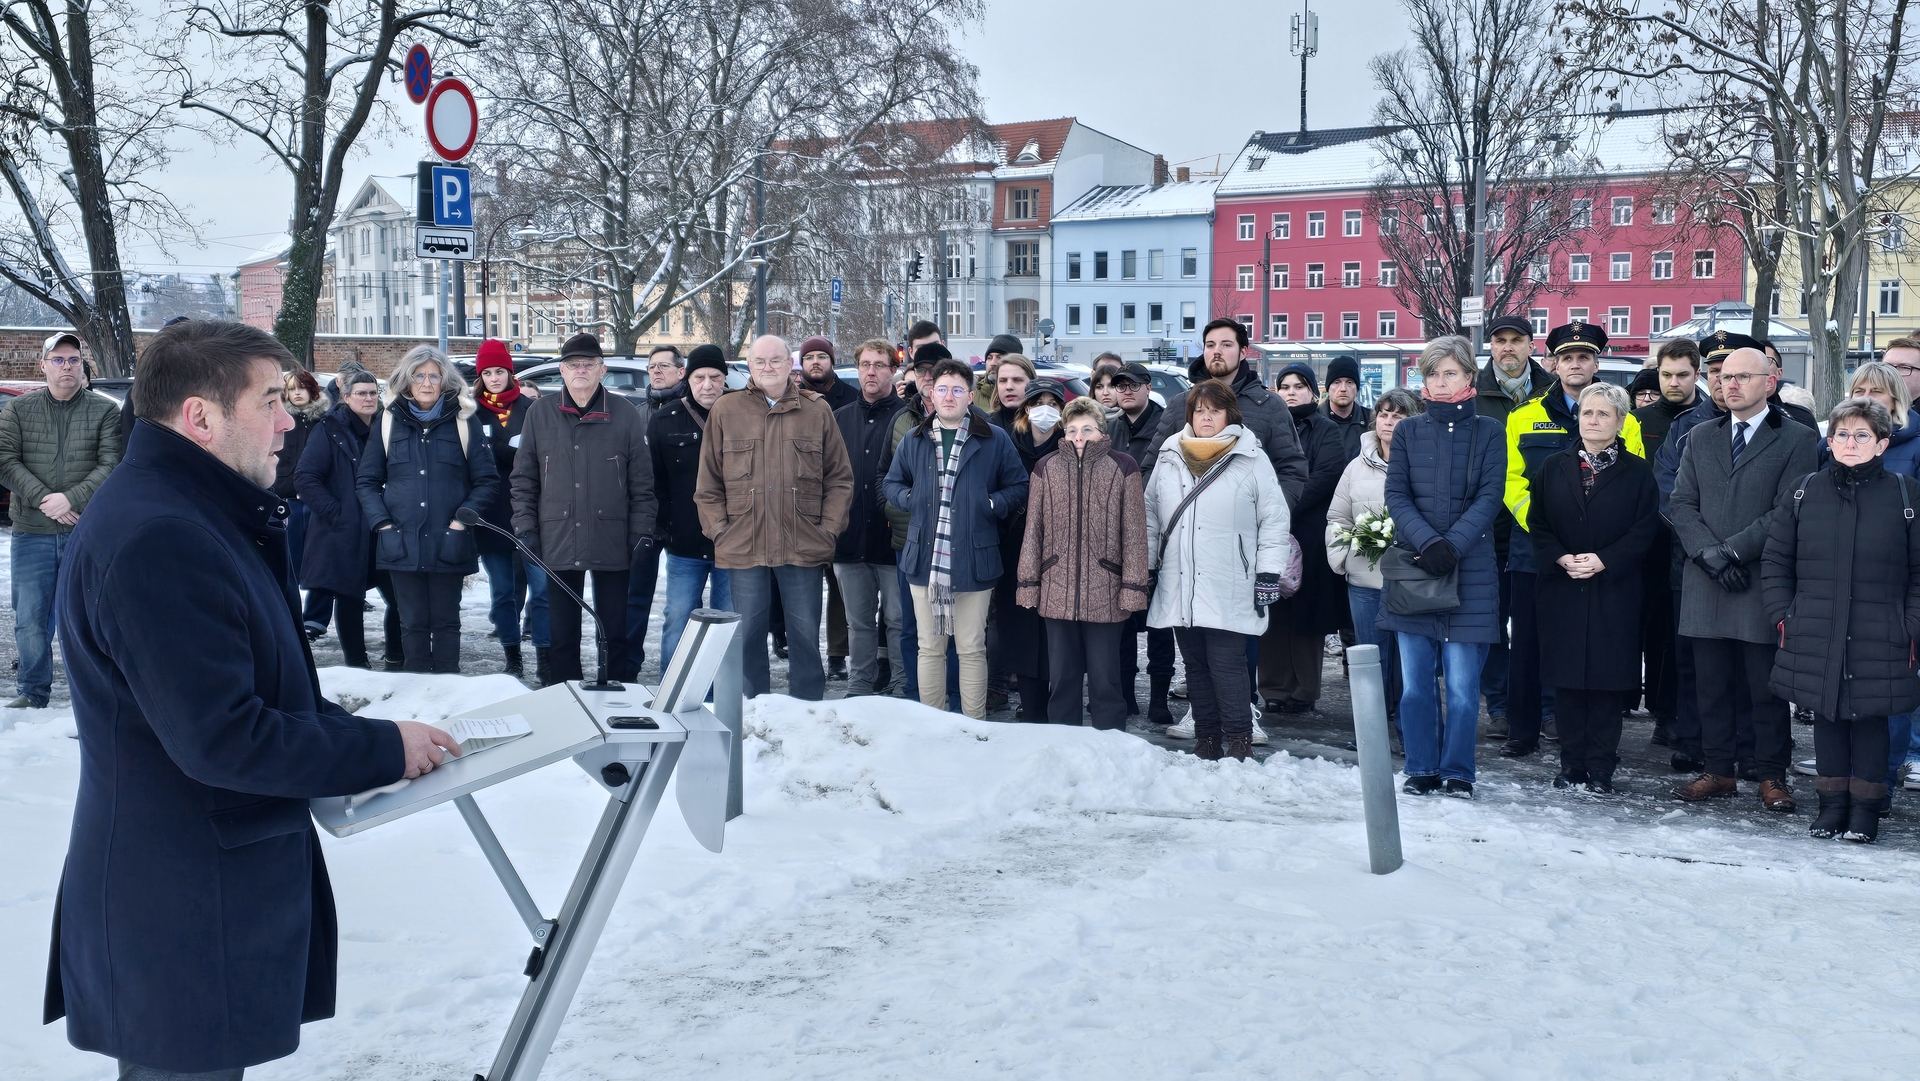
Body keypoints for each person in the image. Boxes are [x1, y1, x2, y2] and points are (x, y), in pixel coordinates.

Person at [47, 318, 457, 1080]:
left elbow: (252, 687)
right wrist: (378, 748)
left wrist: (367, 734)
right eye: (269, 400)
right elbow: (223, 737)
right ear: (199, 418)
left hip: (192, 892)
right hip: (179, 906)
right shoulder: (161, 535)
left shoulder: (195, 509)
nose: (287, 420)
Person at [1671, 346, 1821, 810]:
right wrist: (1708, 556)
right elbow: (1680, 504)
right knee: (1709, 684)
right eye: (1723, 376)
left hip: (1761, 579)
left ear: (1770, 382)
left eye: (1741, 376)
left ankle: (1772, 775)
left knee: (1765, 687)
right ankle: (1717, 770)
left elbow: (1788, 508)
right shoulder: (1700, 436)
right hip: (1706, 580)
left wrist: (1732, 551)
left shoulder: (1797, 438)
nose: (1728, 384)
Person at [1764, 397, 1920, 843]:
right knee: (1828, 715)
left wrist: (1910, 624)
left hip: (1883, 631)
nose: (1850, 443)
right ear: (1829, 441)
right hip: (1815, 625)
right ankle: (1831, 806)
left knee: (1871, 720)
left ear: (1882, 444)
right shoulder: (1804, 491)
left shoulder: (1906, 495)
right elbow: (1777, 560)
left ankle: (1866, 810)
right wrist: (1783, 616)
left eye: (1862, 435)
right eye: (1842, 434)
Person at [1501, 320, 1646, 758]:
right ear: (1552, 364)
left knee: (1592, 650)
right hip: (1538, 553)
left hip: (1600, 560)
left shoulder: (1626, 419)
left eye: (1584, 357)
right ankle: (1522, 731)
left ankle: (1581, 737)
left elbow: (1632, 483)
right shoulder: (1523, 416)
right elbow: (1512, 483)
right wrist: (1555, 535)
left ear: (1597, 363)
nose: (1575, 364)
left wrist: (1595, 547)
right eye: (1567, 357)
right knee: (1528, 646)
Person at [696, 333, 853, 699]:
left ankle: (807, 712)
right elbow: (708, 483)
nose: (768, 368)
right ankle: (751, 712)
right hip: (743, 545)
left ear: (790, 365)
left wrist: (827, 531)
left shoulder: (817, 411)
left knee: (803, 634)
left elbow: (840, 480)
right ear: (749, 367)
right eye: (760, 362)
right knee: (747, 634)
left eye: (776, 361)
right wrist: (721, 531)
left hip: (802, 544)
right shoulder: (725, 410)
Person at [1382, 336, 1507, 797]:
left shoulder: (1491, 431)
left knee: (1460, 688)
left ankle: (1458, 772)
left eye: (1450, 372)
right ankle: (1420, 767)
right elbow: (1396, 494)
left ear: (1469, 377)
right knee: (1415, 686)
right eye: (1433, 373)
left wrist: (1452, 544)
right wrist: (1428, 541)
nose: (1440, 381)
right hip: (1416, 566)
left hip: (1470, 571)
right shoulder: (1410, 431)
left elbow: (1490, 496)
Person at [1145, 380, 1290, 761]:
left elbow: (1274, 519)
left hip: (1231, 578)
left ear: (1229, 414)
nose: (1206, 417)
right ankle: (1206, 739)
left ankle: (1239, 739)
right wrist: (1145, 566)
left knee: (1227, 664)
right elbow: (1149, 515)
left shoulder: (1251, 457)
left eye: (1214, 410)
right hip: (1181, 577)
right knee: (1194, 663)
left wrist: (1268, 574)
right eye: (1199, 410)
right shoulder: (1169, 454)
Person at [1529, 382, 1661, 793]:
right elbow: (1539, 523)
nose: (1594, 420)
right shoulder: (1553, 466)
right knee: (1567, 681)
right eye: (1588, 412)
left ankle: (1601, 767)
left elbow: (1646, 529)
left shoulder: (1639, 473)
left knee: (1606, 683)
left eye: (1604, 414)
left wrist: (1607, 560)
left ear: (1621, 422)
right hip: (1563, 587)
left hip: (1614, 590)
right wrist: (1559, 556)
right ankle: (1571, 765)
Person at [882, 359, 1028, 718]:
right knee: (930, 647)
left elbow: (1020, 485)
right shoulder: (915, 438)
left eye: (957, 389)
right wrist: (908, 499)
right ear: (931, 394)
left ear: (970, 395)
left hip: (974, 559)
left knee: (971, 647)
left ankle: (973, 723)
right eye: (942, 389)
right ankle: (934, 725)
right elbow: (891, 482)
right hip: (924, 559)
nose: (948, 396)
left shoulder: (994, 438)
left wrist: (993, 503)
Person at [509, 333, 657, 684]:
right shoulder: (540, 413)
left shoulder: (624, 413)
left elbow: (642, 481)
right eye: (573, 364)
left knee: (613, 630)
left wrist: (641, 531)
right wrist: (525, 528)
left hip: (612, 535)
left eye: (588, 364)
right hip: (557, 535)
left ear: (602, 369)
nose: (581, 370)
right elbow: (524, 478)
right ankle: (567, 697)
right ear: (561, 370)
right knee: (562, 635)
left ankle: (616, 692)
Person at [356, 346, 500, 674]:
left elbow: (487, 481)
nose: (426, 382)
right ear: (406, 380)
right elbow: (366, 482)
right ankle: (419, 703)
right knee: (413, 625)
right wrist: (383, 527)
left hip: (449, 541)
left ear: (444, 380)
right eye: (418, 375)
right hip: (400, 543)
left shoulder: (464, 421)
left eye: (433, 375)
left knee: (447, 624)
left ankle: (448, 696)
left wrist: (461, 524)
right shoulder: (388, 421)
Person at [0, 330, 123, 708]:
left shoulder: (104, 411)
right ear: (43, 366)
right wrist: (43, 499)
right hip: (31, 532)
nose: (66, 366)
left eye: (72, 360)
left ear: (81, 366)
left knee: (87, 618)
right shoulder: (19, 410)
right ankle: (32, 691)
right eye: (58, 360)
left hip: (83, 531)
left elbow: (111, 463)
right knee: (30, 619)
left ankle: (92, 696)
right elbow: (5, 460)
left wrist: (71, 498)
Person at [1016, 396, 1149, 729]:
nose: (1078, 436)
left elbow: (1134, 534)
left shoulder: (1123, 466)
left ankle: (1110, 744)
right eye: (1072, 428)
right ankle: (1064, 743)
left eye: (1087, 429)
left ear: (1101, 431)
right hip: (1056, 588)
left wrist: (1133, 586)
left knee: (1106, 679)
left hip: (1105, 588)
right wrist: (1029, 582)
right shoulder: (1046, 467)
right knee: (1062, 678)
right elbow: (1033, 530)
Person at [1473, 314, 1553, 738]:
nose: (1507, 348)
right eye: (1499, 340)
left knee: (1539, 625)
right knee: (1491, 623)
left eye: (1515, 340)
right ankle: (1501, 706)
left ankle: (1545, 706)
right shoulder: (1476, 394)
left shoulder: (1552, 392)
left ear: (1530, 345)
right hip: (1487, 528)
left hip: (1535, 528)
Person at [294, 367, 403, 670]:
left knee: (399, 597)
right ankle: (357, 664)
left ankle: (396, 658)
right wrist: (338, 514)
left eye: (372, 393)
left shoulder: (387, 426)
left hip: (383, 527)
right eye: (361, 393)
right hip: (344, 530)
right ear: (345, 397)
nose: (368, 398)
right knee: (349, 598)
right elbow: (305, 477)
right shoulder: (329, 429)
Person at [1327, 388, 1421, 732]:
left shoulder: (1423, 462)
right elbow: (1338, 516)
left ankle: (1408, 729)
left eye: (1398, 415)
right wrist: (1346, 556)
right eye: (1383, 414)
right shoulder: (1357, 465)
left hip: (1410, 579)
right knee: (1370, 657)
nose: (1389, 421)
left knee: (1409, 661)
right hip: (1365, 581)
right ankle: (1371, 731)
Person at [1145, 317, 1309, 505]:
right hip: (1185, 526)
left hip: (1247, 528)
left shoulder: (1269, 405)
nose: (1216, 351)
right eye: (1210, 345)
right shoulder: (1180, 404)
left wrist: (1268, 516)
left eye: (1226, 345)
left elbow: (1291, 470)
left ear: (1243, 352)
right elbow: (1152, 468)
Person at [1262, 362, 1348, 717]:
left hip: (1309, 531)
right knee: (1271, 608)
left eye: (1299, 385)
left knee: (1306, 615)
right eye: (1285, 386)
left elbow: (1326, 475)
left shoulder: (1326, 430)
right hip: (1269, 530)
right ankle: (1272, 687)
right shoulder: (1267, 427)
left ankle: (1304, 689)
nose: (1292, 391)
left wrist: (1283, 505)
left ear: (1314, 391)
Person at [886, 343, 962, 708]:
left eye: (936, 372)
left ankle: (952, 694)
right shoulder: (903, 420)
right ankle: (916, 696)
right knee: (914, 626)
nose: (929, 378)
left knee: (953, 627)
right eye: (922, 371)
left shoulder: (974, 423)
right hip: (911, 540)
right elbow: (887, 480)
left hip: (956, 543)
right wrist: (907, 504)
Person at [650, 345, 733, 674]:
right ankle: (673, 689)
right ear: (688, 378)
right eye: (700, 377)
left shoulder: (741, 415)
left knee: (726, 623)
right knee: (678, 618)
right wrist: (662, 528)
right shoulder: (665, 419)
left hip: (733, 543)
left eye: (715, 377)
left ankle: (722, 696)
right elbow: (654, 481)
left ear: (725, 379)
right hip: (683, 543)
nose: (708, 384)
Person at [834, 339, 907, 695]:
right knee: (858, 622)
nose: (871, 371)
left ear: (894, 371)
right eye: (865, 364)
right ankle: (859, 684)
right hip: (848, 540)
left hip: (894, 541)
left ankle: (900, 684)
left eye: (880, 364)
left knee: (897, 620)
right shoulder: (839, 418)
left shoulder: (909, 419)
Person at [468, 339, 543, 678]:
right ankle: (513, 656)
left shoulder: (532, 409)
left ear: (510, 373)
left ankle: (545, 656)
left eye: (500, 371)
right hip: (491, 514)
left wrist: (499, 451)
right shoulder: (470, 411)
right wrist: (509, 451)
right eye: (487, 372)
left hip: (532, 511)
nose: (494, 378)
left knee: (541, 590)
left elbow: (543, 458)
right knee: (502, 592)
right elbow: (470, 460)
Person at [995, 376, 1067, 718]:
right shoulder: (1007, 445)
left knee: (1055, 632)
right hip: (1015, 550)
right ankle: (1029, 704)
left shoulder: (1069, 446)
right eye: (1039, 404)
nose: (1046, 411)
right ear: (1026, 409)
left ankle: (1058, 704)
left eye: (1053, 405)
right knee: (1021, 631)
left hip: (1058, 554)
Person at [1108, 362, 1174, 719]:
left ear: (1148, 387)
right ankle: (1127, 696)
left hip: (1160, 537)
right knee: (1122, 624)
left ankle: (1160, 700)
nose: (1127, 390)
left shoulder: (1168, 426)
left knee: (1160, 624)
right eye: (1121, 385)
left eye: (1134, 384)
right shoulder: (1109, 428)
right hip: (1117, 538)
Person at [275, 369, 327, 624]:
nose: (296, 393)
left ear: (311, 389)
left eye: (301, 387)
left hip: (317, 498)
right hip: (286, 498)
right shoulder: (279, 419)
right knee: (288, 562)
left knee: (322, 560)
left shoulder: (326, 420)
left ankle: (315, 620)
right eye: (291, 388)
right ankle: (289, 614)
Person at [1322, 355, 1372, 461]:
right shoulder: (1311, 421)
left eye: (1349, 382)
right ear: (1328, 387)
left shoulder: (1372, 421)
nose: (1343, 389)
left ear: (1357, 388)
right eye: (1337, 382)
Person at [973, 332, 1023, 411]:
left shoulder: (1028, 396)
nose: (993, 363)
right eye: (989, 358)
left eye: (999, 357)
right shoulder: (972, 394)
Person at [645, 344, 688, 412]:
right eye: (652, 367)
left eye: (664, 366)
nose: (656, 371)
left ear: (681, 373)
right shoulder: (637, 412)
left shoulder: (695, 410)